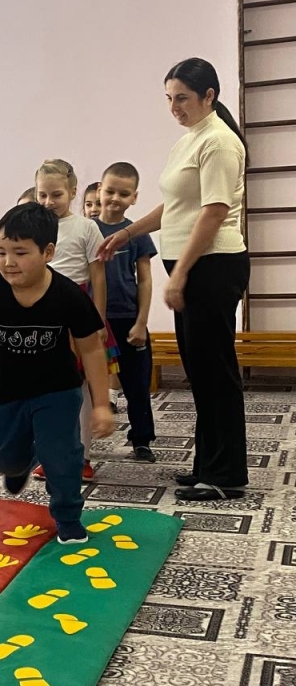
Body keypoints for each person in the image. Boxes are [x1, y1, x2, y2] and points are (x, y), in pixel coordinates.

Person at [98, 57, 249, 501]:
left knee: (215, 371)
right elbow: (176, 207)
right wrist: (126, 232)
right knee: (201, 371)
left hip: (213, 267)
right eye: (169, 98)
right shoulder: (191, 139)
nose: (174, 106)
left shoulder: (219, 143)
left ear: (209, 96)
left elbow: (214, 212)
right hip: (195, 266)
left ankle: (225, 476)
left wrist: (180, 272)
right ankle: (209, 464)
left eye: (182, 97)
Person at [0, 203, 114, 544]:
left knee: (62, 456)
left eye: (20, 252)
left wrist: (101, 404)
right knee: (1, 458)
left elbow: (91, 348)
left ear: (48, 252)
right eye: (1, 252)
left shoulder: (67, 295)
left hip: (57, 390)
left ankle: (68, 517)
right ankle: (19, 464)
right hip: (2, 391)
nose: (8, 262)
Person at [34, 159, 115, 482]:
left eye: (56, 195)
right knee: (43, 390)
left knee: (79, 389)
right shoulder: (33, 226)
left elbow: (99, 277)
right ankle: (50, 456)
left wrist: (97, 321)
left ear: (72, 192)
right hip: (39, 314)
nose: (48, 202)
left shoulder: (86, 228)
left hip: (76, 312)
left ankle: (81, 456)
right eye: (42, 195)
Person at [95, 163, 158, 461]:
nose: (115, 198)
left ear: (134, 197)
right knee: (83, 388)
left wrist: (141, 323)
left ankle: (141, 439)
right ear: (99, 191)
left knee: (137, 385)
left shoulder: (138, 234)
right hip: (93, 323)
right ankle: (79, 442)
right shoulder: (86, 231)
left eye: (124, 193)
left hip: (128, 320)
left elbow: (145, 279)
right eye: (110, 191)